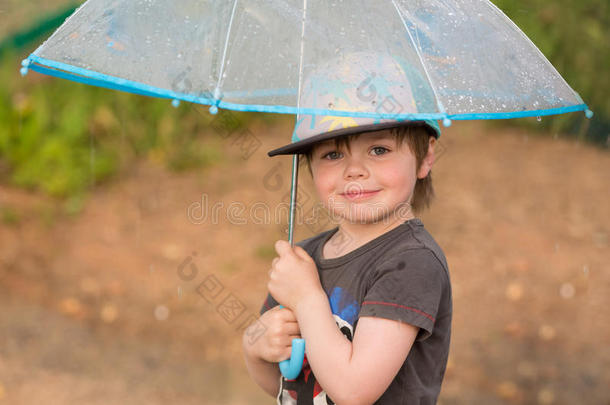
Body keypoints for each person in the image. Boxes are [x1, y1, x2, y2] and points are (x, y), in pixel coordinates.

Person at [242, 52, 452, 404]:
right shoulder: (304, 259)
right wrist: (255, 347)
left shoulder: (412, 263)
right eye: (333, 155)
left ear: (426, 157)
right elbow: (289, 386)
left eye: (379, 149)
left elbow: (354, 391)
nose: (354, 170)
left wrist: (308, 298)